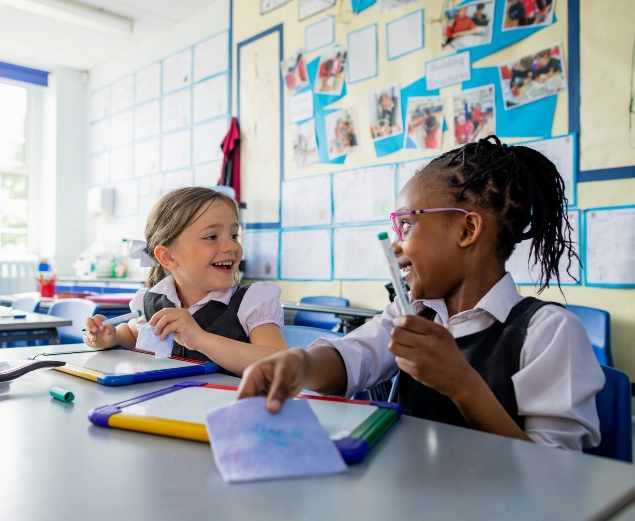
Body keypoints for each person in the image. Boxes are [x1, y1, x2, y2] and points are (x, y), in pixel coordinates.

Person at [237, 136, 604, 452]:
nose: (396, 245)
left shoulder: (547, 333)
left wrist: (462, 385)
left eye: (407, 224)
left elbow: (556, 475)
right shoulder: (411, 312)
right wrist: (300, 366)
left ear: (467, 230)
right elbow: (354, 356)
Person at [83, 187, 287, 376]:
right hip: (167, 408)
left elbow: (281, 364)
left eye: (234, 235)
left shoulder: (252, 301)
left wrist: (200, 339)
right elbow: (133, 332)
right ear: (167, 257)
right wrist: (112, 337)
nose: (231, 246)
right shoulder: (153, 300)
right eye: (211, 236)